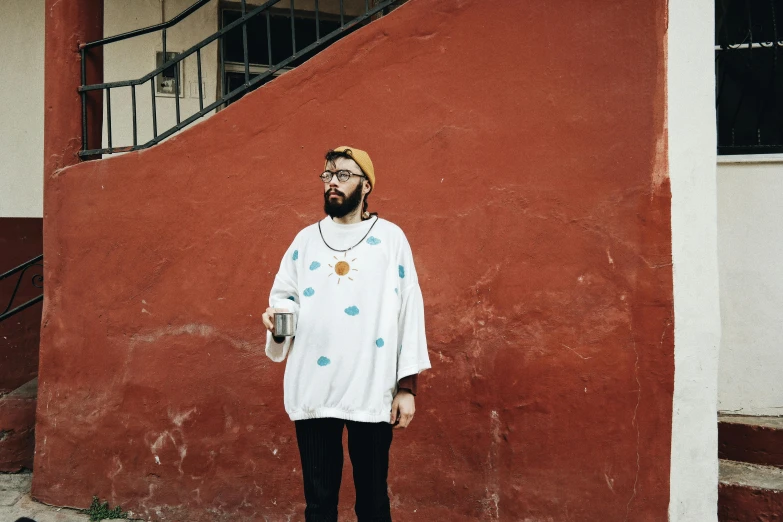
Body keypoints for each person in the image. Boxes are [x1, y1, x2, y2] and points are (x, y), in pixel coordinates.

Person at [262, 146, 431, 522]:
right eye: (327, 175)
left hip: (372, 388)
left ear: (366, 185)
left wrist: (407, 387)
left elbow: (409, 309)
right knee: (319, 504)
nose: (332, 183)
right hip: (315, 387)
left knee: (372, 502)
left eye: (343, 175)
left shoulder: (391, 239)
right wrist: (275, 326)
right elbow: (283, 301)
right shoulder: (305, 241)